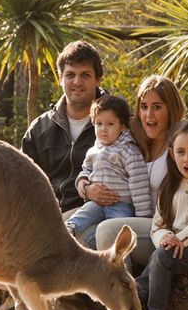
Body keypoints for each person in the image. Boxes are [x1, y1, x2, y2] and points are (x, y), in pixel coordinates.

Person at [58, 120, 188, 310]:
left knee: (160, 258)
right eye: (180, 152)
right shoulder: (170, 184)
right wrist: (165, 238)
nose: (186, 159)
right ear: (171, 153)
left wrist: (185, 237)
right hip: (172, 250)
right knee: (152, 269)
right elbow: (157, 226)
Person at [0, 40, 105, 310]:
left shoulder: (114, 121)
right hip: (45, 208)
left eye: (85, 75)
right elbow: (20, 179)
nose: (77, 82)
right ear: (61, 78)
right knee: (4, 233)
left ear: (97, 79)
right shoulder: (40, 127)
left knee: (65, 234)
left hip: (91, 209)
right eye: (70, 74)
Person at [77, 76, 188, 269]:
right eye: (144, 106)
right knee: (81, 233)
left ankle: (125, 293)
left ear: (171, 109)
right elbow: (98, 154)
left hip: (163, 229)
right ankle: (78, 298)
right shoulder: (130, 135)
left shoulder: (182, 145)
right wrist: (85, 185)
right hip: (122, 213)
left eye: (157, 107)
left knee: (106, 232)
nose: (149, 115)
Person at [64, 94, 150, 247]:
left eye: (110, 124)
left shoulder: (128, 151)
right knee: (84, 213)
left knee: (115, 238)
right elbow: (86, 170)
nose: (103, 129)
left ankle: (123, 265)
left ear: (122, 126)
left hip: (121, 205)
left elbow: (139, 185)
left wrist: (143, 216)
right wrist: (83, 183)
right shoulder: (94, 150)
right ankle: (68, 230)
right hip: (96, 203)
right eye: (98, 124)